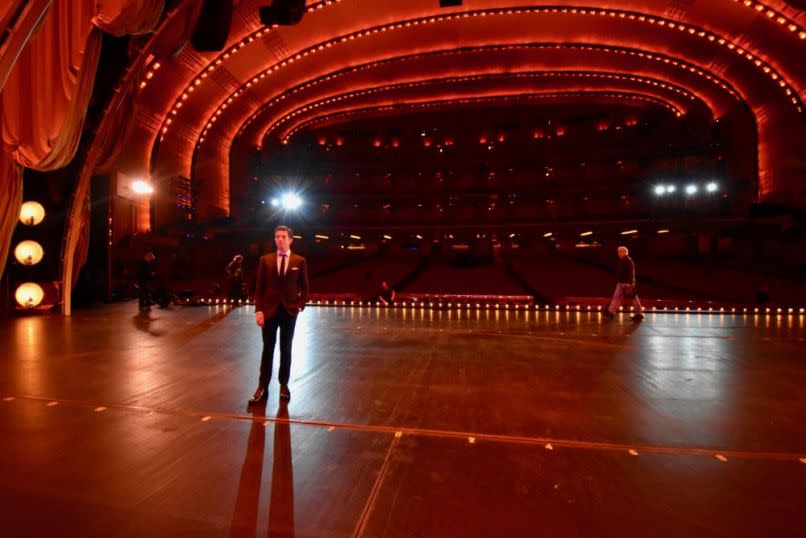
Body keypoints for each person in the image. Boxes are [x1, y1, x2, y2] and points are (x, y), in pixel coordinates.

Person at [249, 225, 310, 405]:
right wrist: (258, 310)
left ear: (290, 240)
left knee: (286, 349)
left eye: (283, 237)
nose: (280, 239)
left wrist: (298, 306)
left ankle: (284, 385)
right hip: (268, 311)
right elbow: (259, 288)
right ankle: (262, 387)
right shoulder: (265, 260)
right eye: (277, 237)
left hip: (289, 312)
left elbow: (306, 290)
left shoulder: (300, 261)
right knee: (267, 350)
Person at [604, 246, 644, 321]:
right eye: (618, 252)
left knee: (633, 298)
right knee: (617, 297)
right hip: (621, 283)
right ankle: (610, 312)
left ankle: (639, 314)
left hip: (627, 283)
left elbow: (631, 273)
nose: (619, 253)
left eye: (621, 251)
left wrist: (629, 283)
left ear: (626, 252)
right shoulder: (623, 260)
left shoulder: (628, 260)